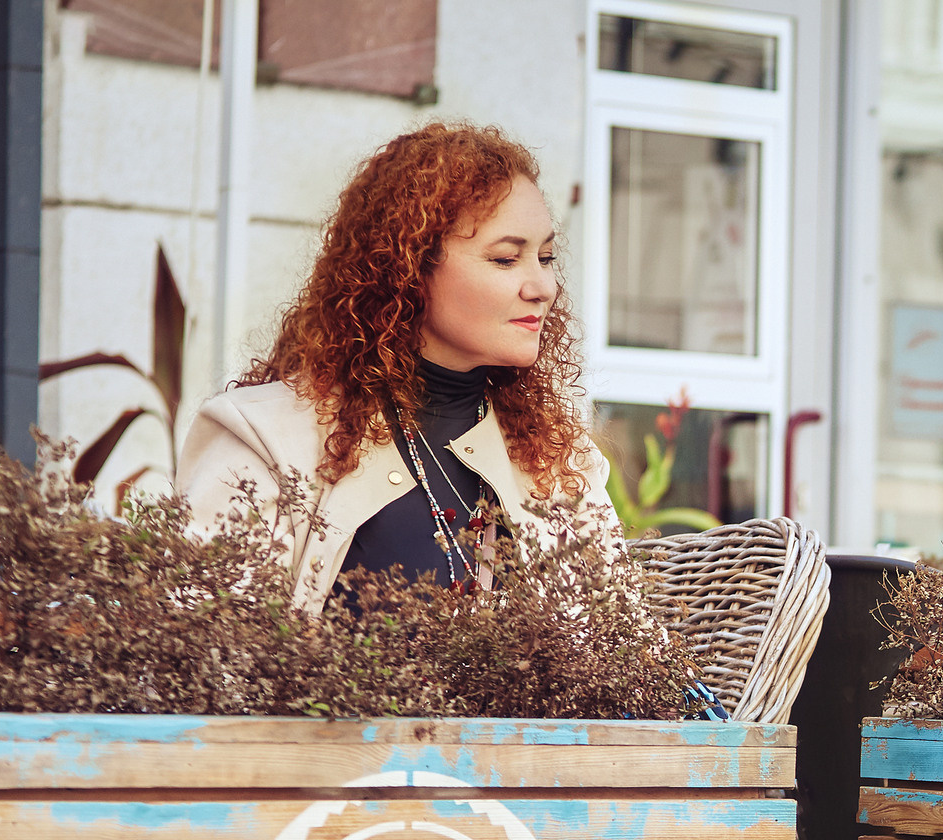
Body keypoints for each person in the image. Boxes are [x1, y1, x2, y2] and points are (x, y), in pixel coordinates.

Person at [179, 123, 617, 613]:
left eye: (546, 257)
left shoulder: (557, 460)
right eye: (506, 259)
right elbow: (209, 661)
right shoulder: (264, 439)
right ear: (409, 267)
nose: (543, 286)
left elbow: (629, 649)